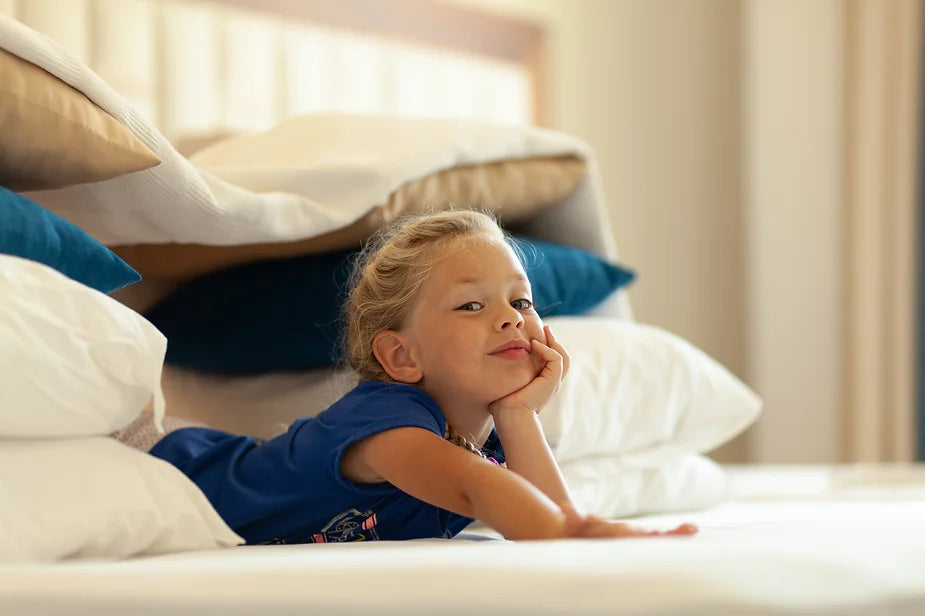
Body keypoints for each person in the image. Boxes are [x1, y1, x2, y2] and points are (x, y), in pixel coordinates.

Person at [138, 210, 697, 543]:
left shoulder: (491, 440)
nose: (510, 317)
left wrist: (519, 413)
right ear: (402, 358)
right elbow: (479, 491)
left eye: (521, 301)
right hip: (176, 469)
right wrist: (577, 531)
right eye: (470, 306)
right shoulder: (385, 420)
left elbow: (537, 519)